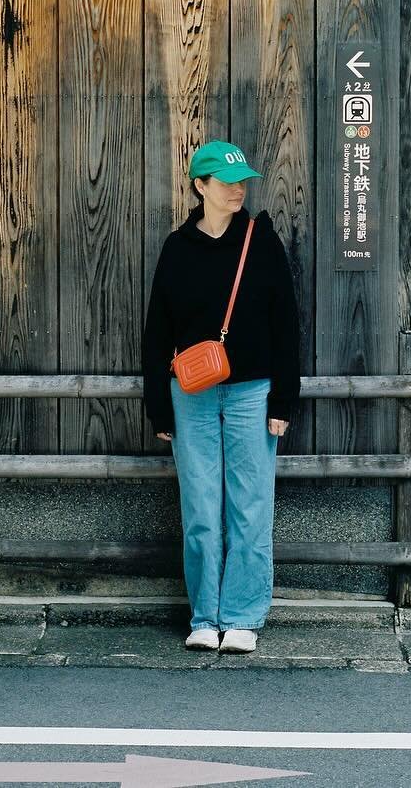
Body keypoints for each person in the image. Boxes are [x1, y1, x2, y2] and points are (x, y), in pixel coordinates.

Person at [142, 140, 301, 655]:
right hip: (190, 396)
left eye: (241, 182)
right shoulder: (177, 248)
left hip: (253, 392)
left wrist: (283, 402)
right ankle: (205, 615)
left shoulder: (260, 242)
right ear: (200, 186)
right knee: (201, 509)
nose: (237, 190)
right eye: (226, 181)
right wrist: (158, 407)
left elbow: (286, 326)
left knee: (251, 507)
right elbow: (156, 333)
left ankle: (243, 615)